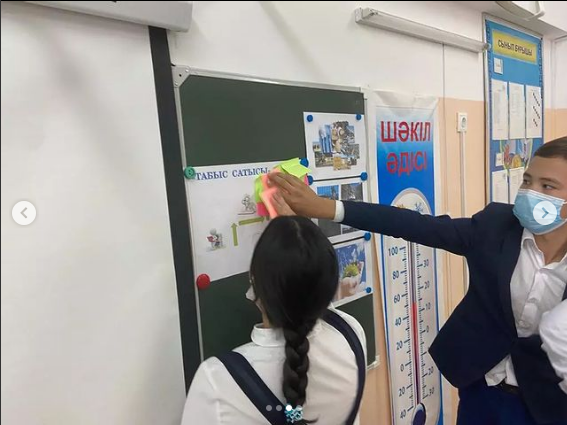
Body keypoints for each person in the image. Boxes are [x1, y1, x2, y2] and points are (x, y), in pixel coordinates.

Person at [269, 137, 567, 425]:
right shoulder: (495, 226)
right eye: (527, 181)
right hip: (481, 388)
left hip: (547, 404)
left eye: (547, 186)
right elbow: (415, 225)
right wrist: (327, 208)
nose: (530, 192)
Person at [181, 214, 367, 425]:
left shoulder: (218, 381)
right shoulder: (351, 334)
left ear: (254, 281)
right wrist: (298, 238)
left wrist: (292, 237)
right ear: (331, 283)